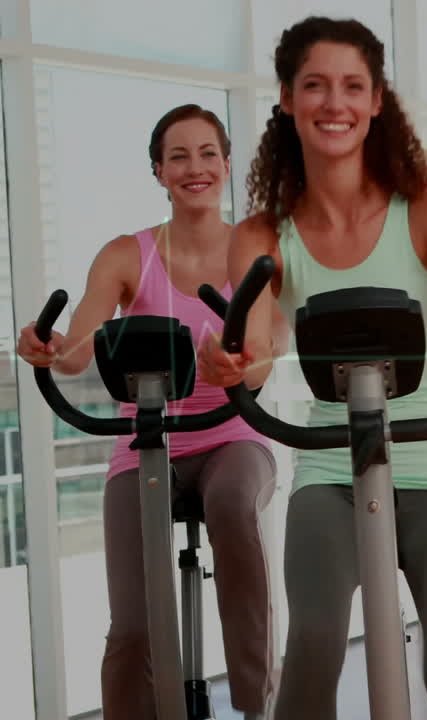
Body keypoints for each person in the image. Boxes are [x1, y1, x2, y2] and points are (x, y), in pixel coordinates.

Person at [194, 16, 427, 720]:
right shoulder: (262, 234)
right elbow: (255, 357)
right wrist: (230, 363)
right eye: (315, 85)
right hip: (330, 469)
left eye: (353, 86)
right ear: (288, 99)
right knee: (313, 654)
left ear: (377, 100)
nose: (335, 103)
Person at [16, 104, 278, 720]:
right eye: (179, 156)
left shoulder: (252, 251)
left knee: (235, 506)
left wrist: (240, 369)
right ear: (158, 172)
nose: (195, 168)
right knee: (131, 626)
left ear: (227, 163)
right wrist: (45, 348)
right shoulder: (126, 255)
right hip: (146, 442)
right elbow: (78, 352)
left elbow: (261, 357)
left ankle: (256, 703)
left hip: (230, 436)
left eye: (208, 153)